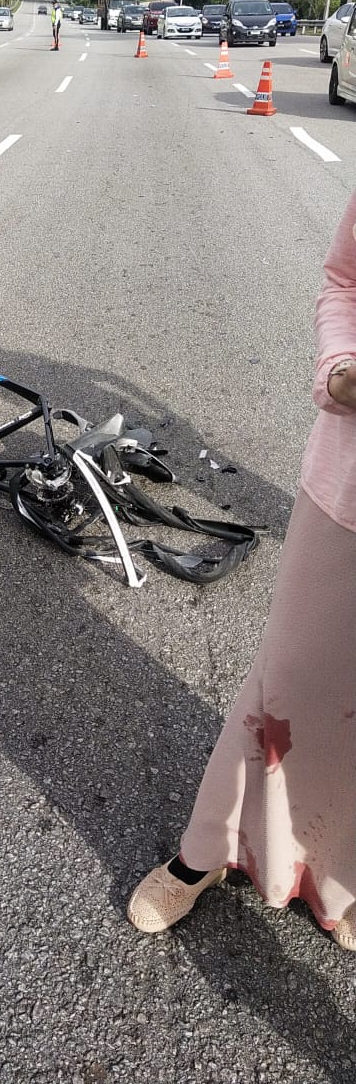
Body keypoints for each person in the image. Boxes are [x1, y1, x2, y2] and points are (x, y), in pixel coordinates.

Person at [127, 189, 356, 950]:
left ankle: (337, 874)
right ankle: (208, 850)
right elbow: (346, 281)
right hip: (348, 493)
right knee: (283, 682)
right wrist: (340, 369)